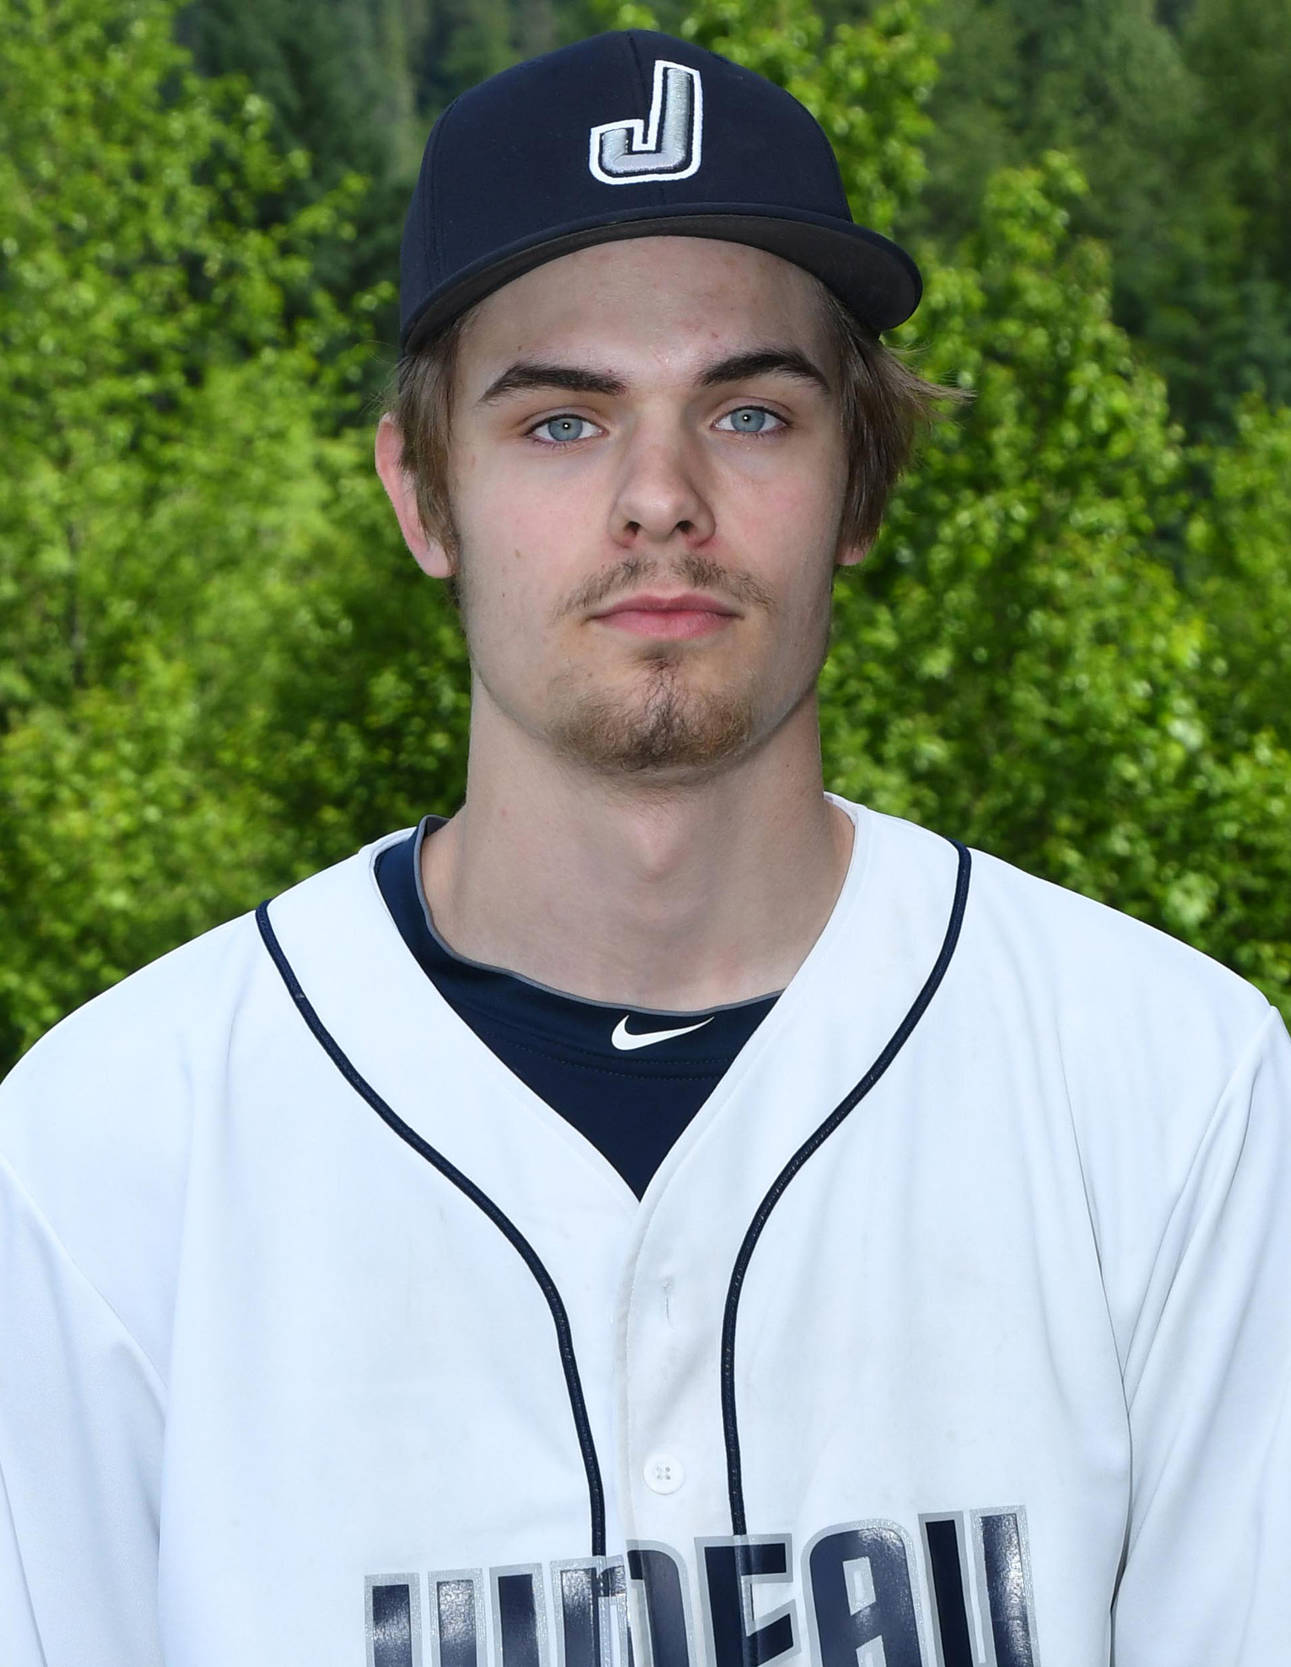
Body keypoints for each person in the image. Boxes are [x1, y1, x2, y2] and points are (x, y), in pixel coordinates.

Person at [0, 28, 1287, 1667]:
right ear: (422, 492)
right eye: (559, 423)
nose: (660, 497)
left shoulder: (1172, 1101)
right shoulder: (106, 1159)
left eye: (751, 414)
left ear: (859, 484)